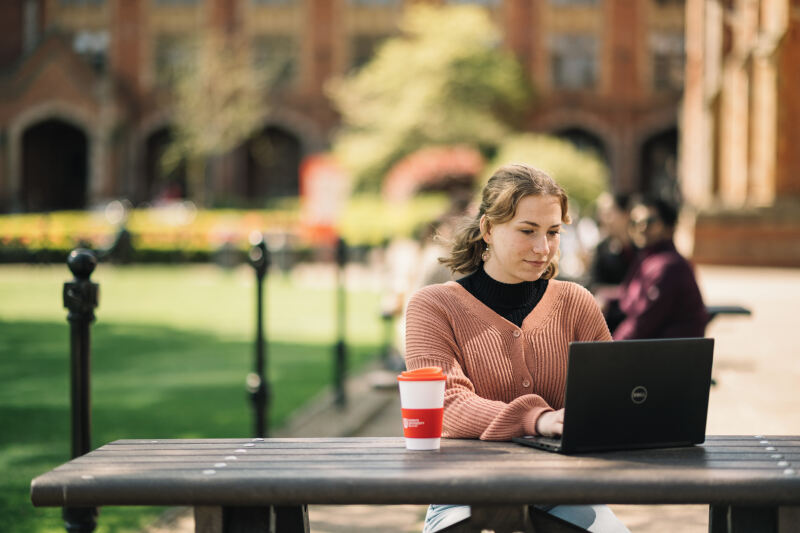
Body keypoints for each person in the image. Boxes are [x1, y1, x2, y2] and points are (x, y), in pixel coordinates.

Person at [404, 163, 630, 533]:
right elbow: (446, 405)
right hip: (463, 493)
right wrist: (536, 420)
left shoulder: (576, 302)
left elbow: (613, 393)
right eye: (528, 231)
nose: (543, 248)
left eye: (553, 232)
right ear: (488, 229)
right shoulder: (432, 307)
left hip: (567, 492)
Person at [612, 196, 708, 340]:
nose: (641, 228)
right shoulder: (648, 259)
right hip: (655, 347)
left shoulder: (668, 266)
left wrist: (606, 346)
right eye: (634, 223)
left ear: (668, 226)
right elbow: (630, 296)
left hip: (668, 354)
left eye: (649, 222)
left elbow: (642, 322)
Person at [589, 193, 637, 331]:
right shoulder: (602, 248)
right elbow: (594, 286)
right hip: (610, 322)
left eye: (608, 213)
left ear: (626, 214)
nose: (603, 219)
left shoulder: (642, 249)